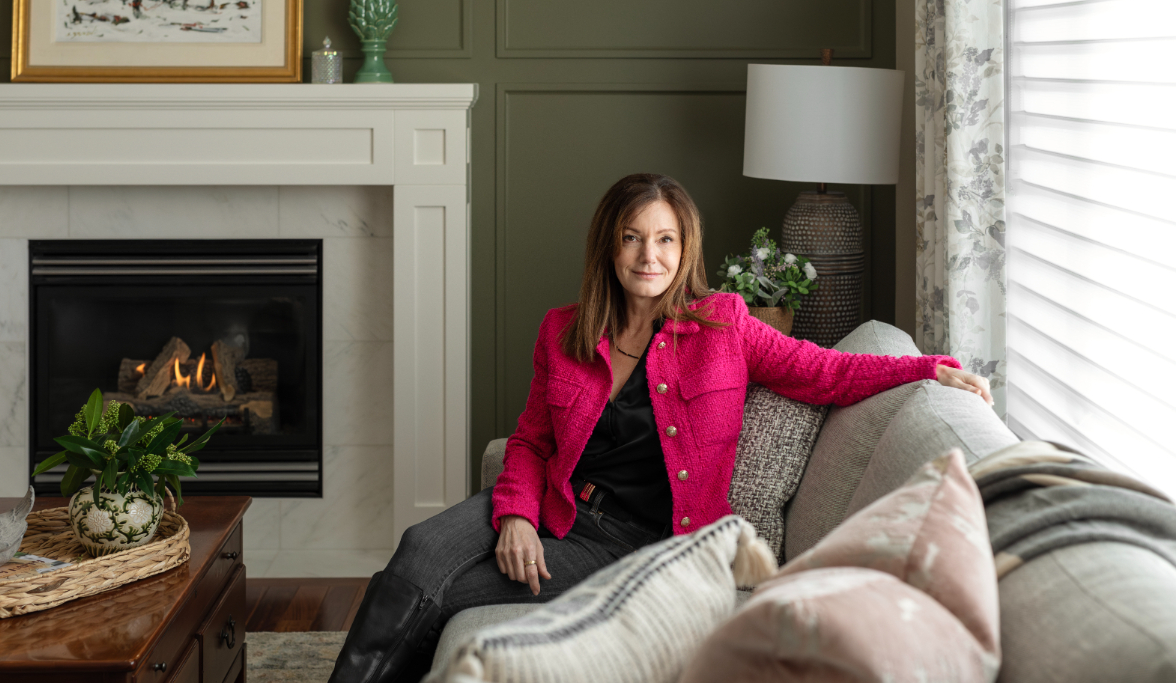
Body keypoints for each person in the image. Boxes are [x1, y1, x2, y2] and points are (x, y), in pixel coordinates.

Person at [329, 173, 991, 683]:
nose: (650, 254)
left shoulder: (723, 323)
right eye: (633, 236)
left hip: (633, 542)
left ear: (684, 247)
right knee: (419, 550)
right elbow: (531, 439)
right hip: (559, 507)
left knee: (448, 594)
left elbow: (825, 371)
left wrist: (932, 369)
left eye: (666, 238)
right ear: (608, 246)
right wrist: (515, 516)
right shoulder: (563, 330)